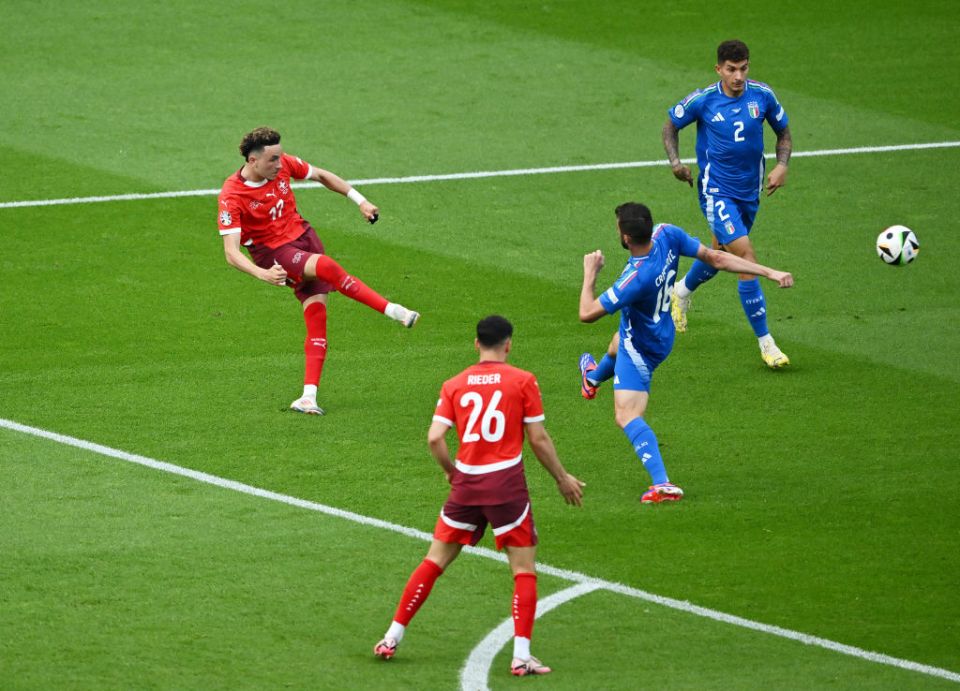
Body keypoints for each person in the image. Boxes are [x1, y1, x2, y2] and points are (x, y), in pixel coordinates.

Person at [373, 315, 585, 677]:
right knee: (523, 569)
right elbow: (537, 439)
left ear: (476, 344)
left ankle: (391, 637)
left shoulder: (454, 384)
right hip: (506, 488)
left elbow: (434, 438)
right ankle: (521, 656)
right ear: (509, 344)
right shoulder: (523, 380)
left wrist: (450, 471)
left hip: (466, 486)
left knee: (434, 561)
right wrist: (562, 478)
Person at [578, 203, 793, 503]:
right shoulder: (667, 234)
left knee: (627, 415)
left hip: (642, 347)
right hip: (664, 333)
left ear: (626, 237)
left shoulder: (634, 278)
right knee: (617, 341)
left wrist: (590, 274)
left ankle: (662, 483)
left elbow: (586, 313)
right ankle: (592, 379)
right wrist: (770, 271)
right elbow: (717, 257)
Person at [217, 127, 420, 415]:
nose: (280, 163)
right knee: (326, 266)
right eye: (273, 159)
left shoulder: (284, 164)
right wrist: (262, 274)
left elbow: (322, 176)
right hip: (275, 254)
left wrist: (360, 201)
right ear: (252, 160)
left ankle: (308, 397)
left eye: (280, 157)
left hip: (303, 237)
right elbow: (231, 252)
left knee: (317, 316)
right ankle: (392, 310)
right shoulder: (232, 195)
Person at [662, 39, 794, 368]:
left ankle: (680, 293)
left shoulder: (762, 95)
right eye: (732, 69)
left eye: (744, 68)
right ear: (718, 69)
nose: (738, 76)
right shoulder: (704, 100)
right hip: (716, 191)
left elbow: (784, 133)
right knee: (745, 256)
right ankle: (767, 343)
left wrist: (782, 165)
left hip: (749, 192)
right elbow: (670, 125)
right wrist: (676, 162)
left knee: (719, 252)